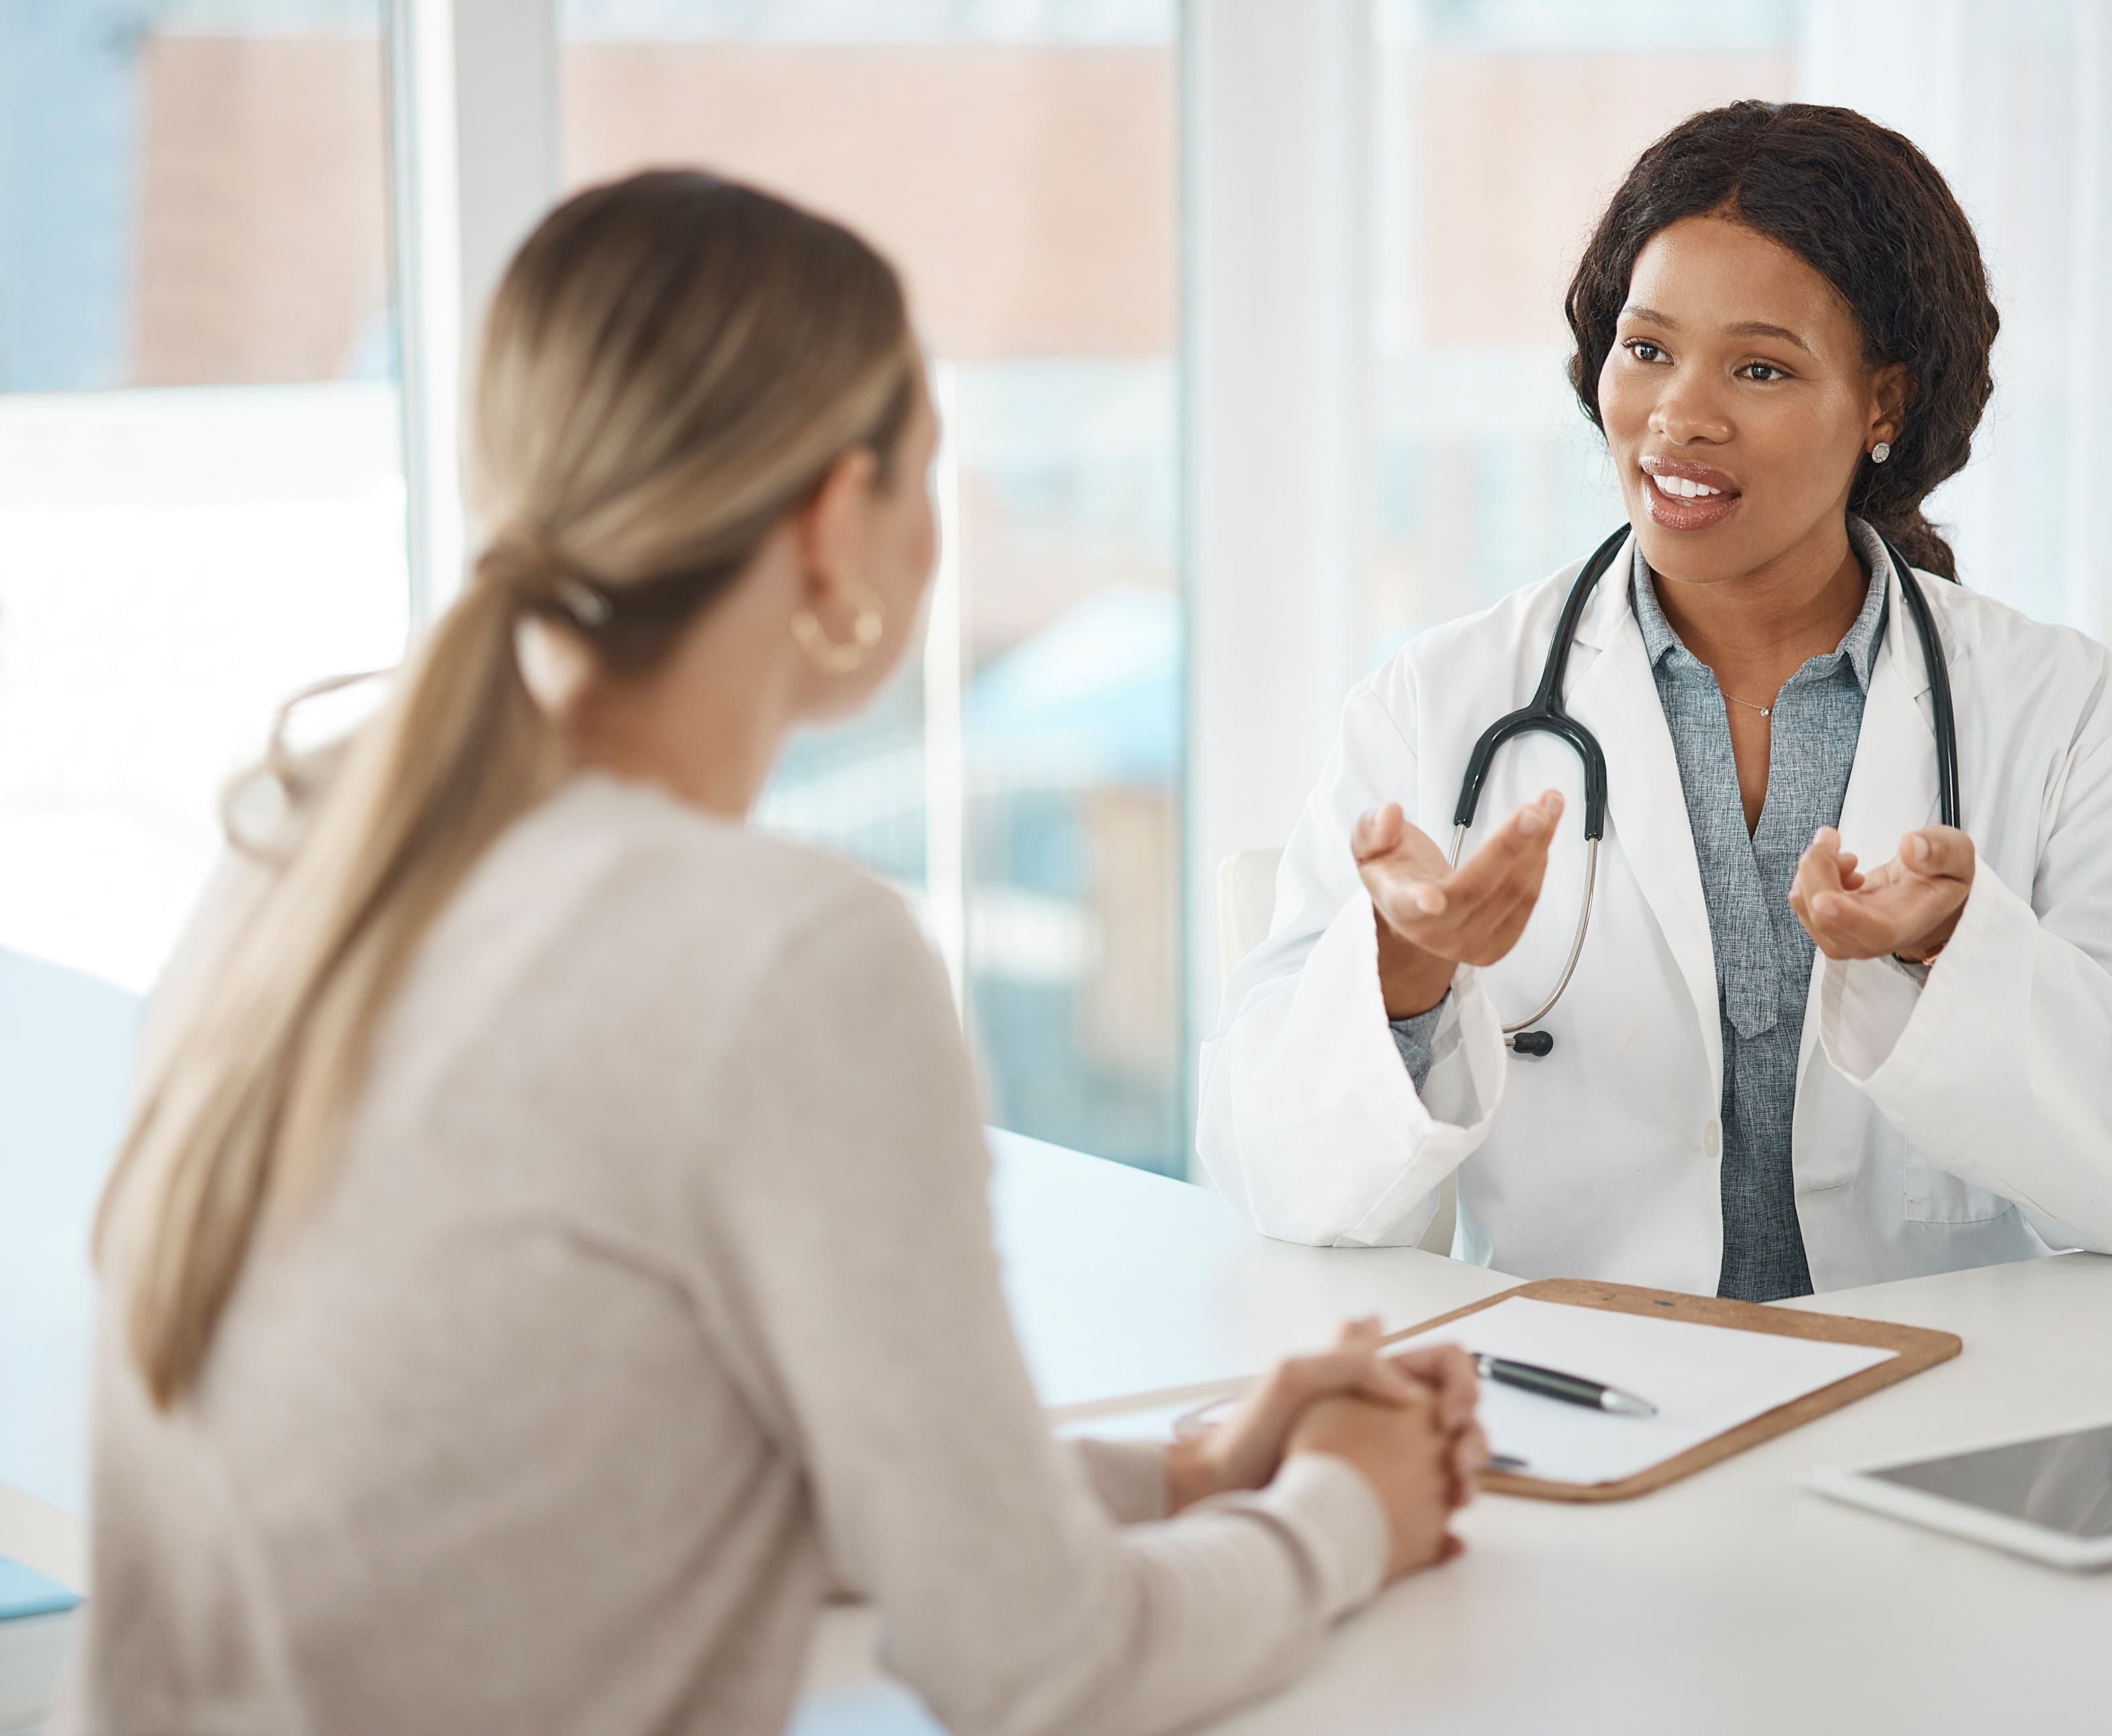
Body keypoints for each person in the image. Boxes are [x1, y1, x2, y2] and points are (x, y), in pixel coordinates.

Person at [68, 171, 1483, 1736]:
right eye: (933, 472)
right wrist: (1346, 1511)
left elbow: (611, 1491)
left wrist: (1187, 1474)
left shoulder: (306, 841)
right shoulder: (786, 957)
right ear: (833, 521)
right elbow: (1046, 1666)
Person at [1199, 101, 2112, 1298]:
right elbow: (1268, 1169)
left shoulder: (2056, 711)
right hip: (1594, 1424)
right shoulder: (1440, 705)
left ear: (1886, 405)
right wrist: (1401, 970)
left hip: (1941, 1425)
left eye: (1759, 367)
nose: (1680, 415)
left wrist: (1960, 953)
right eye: (1647, 348)